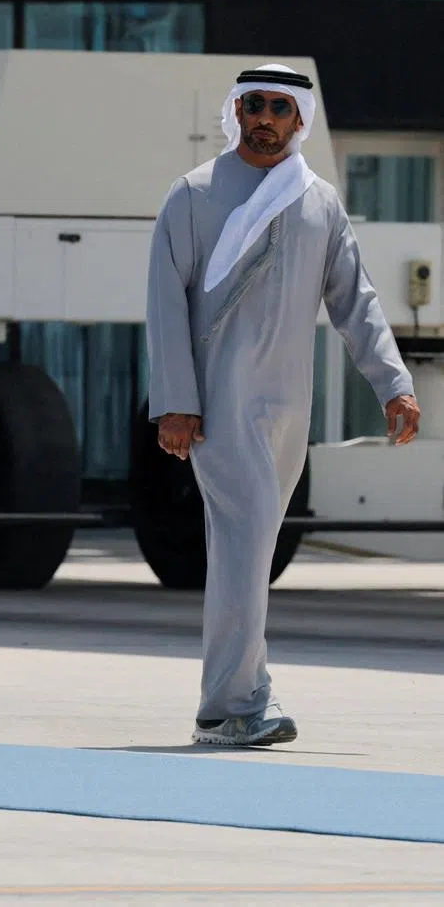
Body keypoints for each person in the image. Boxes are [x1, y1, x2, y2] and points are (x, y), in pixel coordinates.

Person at [146, 63, 421, 748]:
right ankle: (233, 705)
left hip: (288, 408)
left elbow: (354, 300)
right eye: (253, 105)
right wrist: (177, 402)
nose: (264, 117)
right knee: (243, 547)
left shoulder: (318, 200)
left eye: (278, 107)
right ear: (236, 111)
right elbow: (164, 305)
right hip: (221, 401)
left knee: (252, 548)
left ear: (301, 119)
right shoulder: (193, 194)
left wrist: (394, 383)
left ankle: (235, 698)